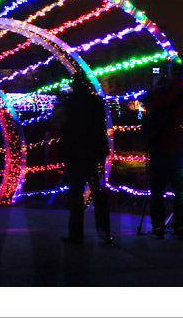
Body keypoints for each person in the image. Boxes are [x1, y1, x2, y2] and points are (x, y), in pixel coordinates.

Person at [51, 72, 111, 245]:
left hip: (74, 152)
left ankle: (76, 234)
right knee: (98, 192)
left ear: (74, 86)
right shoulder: (98, 102)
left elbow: (54, 120)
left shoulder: (70, 103)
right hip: (95, 151)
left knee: (76, 194)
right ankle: (105, 232)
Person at [140, 57, 183, 239]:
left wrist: (157, 84)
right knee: (180, 189)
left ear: (171, 72)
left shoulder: (161, 90)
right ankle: (179, 225)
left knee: (157, 189)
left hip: (160, 146)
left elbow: (145, 100)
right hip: (179, 147)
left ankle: (158, 227)